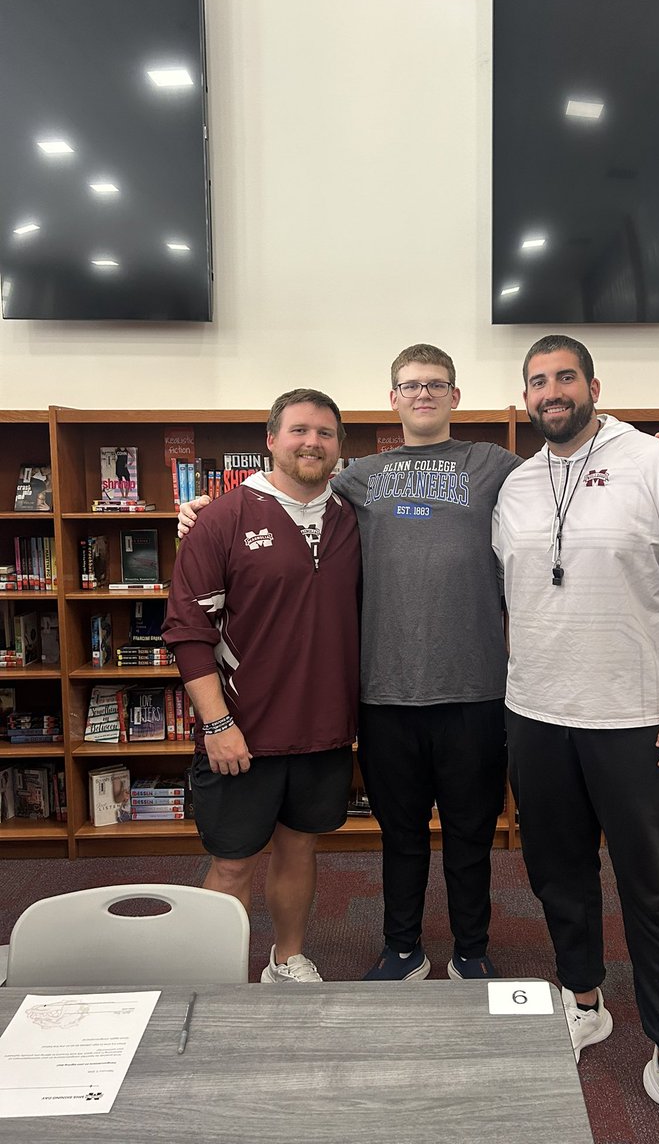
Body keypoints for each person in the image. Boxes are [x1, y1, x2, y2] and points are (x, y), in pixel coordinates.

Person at [179, 346, 519, 981]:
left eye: (436, 384)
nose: (423, 394)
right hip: (384, 696)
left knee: (471, 835)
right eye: (410, 385)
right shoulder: (355, 477)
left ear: (454, 396)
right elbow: (282, 491)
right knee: (400, 835)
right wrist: (201, 512)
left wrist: (648, 454)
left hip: (474, 690)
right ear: (392, 399)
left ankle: (471, 951)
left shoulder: (494, 464)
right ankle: (402, 949)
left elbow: (563, 481)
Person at [492, 335, 659, 1144]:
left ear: (594, 386)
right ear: (526, 397)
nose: (551, 392)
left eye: (565, 377)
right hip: (537, 715)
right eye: (538, 381)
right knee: (558, 877)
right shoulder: (516, 486)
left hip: (640, 722)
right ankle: (583, 1001)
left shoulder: (657, 467)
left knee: (656, 894)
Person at [163, 388, 360, 984]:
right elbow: (188, 631)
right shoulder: (221, 518)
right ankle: (212, 981)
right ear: (271, 440)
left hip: (323, 731)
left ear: (339, 447)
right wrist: (217, 724)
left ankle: (287, 959)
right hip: (241, 734)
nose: (312, 442)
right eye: (299, 430)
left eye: (325, 433)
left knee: (300, 848)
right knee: (232, 864)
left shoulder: (353, 517)